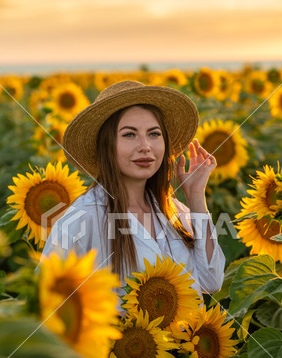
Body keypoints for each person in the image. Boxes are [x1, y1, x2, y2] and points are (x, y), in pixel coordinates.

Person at [38, 80, 225, 311]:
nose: (145, 146)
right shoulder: (83, 218)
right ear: (107, 145)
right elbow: (45, 300)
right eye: (129, 135)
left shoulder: (174, 211)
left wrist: (196, 196)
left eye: (154, 134)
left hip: (183, 345)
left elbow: (211, 281)